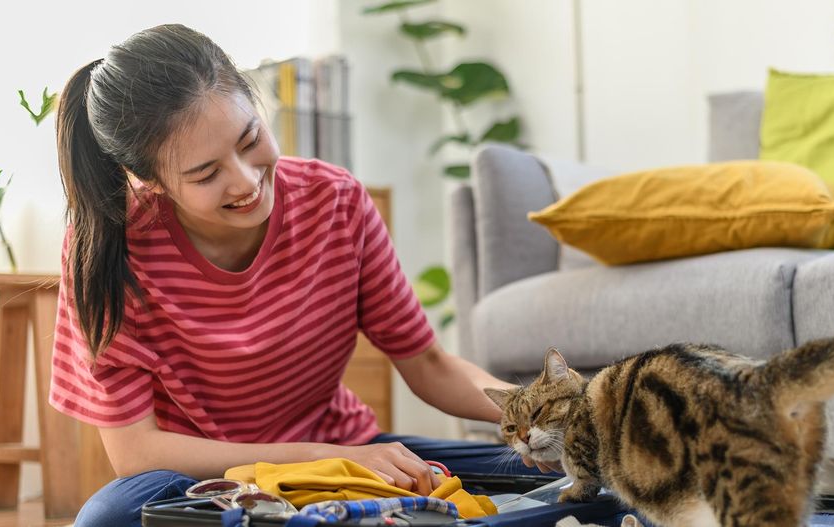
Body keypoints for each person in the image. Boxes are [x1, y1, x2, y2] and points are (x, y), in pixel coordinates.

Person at [50, 24, 558, 527]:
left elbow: (430, 364)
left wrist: (542, 416)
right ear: (149, 180)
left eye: (251, 139)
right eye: (206, 174)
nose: (247, 181)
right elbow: (136, 454)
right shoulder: (107, 248)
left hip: (347, 452)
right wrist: (318, 459)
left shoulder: (336, 201)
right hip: (208, 478)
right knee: (109, 519)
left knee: (575, 480)